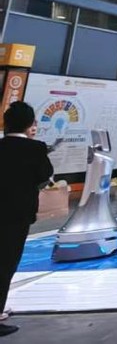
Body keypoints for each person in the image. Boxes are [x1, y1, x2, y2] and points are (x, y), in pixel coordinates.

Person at [0, 101, 54, 338]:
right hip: (17, 215)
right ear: (30, 123)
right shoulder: (36, 149)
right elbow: (44, 175)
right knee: (6, 264)